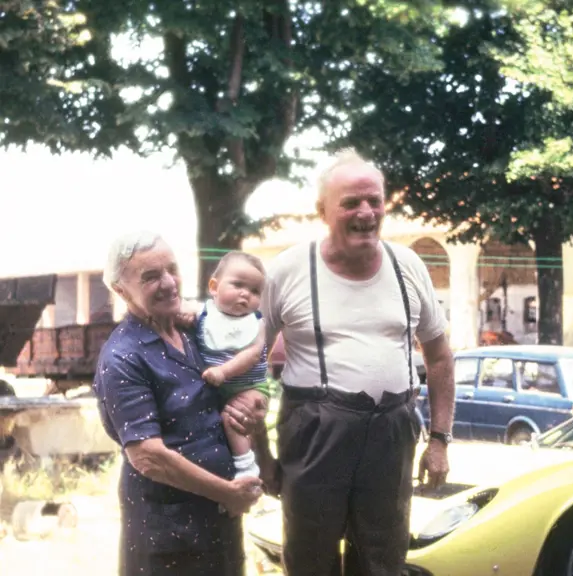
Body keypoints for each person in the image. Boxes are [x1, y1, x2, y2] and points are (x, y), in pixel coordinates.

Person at [261, 148, 457, 576]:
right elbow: (250, 360)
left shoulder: (408, 265)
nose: (366, 213)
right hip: (313, 436)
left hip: (391, 434)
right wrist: (259, 455)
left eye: (375, 201)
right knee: (311, 560)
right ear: (323, 211)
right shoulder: (288, 271)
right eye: (351, 203)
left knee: (383, 559)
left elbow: (440, 357)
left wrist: (439, 439)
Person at [93, 231, 269, 576]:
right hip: (168, 531)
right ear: (120, 290)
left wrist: (255, 403)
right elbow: (148, 458)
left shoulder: (193, 331)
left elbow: (245, 376)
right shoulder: (123, 357)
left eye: (172, 269)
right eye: (151, 276)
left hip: (218, 520)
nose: (169, 283)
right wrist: (228, 493)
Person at [178, 250, 271, 481]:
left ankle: (246, 467)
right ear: (213, 287)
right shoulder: (204, 313)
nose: (245, 294)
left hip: (249, 387)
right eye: (238, 285)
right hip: (216, 388)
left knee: (234, 418)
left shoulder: (256, 323)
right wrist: (183, 315)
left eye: (254, 291)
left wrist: (223, 372)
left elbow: (251, 355)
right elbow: (180, 309)